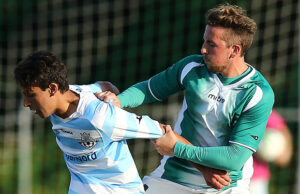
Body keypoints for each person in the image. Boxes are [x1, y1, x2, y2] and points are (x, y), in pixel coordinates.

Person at [97, 4, 274, 194]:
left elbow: (234, 157)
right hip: (173, 178)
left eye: (211, 44)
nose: (203, 49)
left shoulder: (257, 93)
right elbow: (149, 89)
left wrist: (177, 148)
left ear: (235, 50)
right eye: (204, 41)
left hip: (226, 186)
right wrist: (119, 100)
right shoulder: (192, 67)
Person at [14, 50, 171, 194]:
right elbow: (106, 86)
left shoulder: (100, 116)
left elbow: (163, 132)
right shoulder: (71, 93)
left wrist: (193, 159)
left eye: (31, 95)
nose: (25, 103)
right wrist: (109, 93)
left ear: (52, 89)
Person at [250, 109, 293, 194]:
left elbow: (282, 128)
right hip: (227, 175)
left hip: (256, 180)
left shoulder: (258, 106)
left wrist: (284, 153)